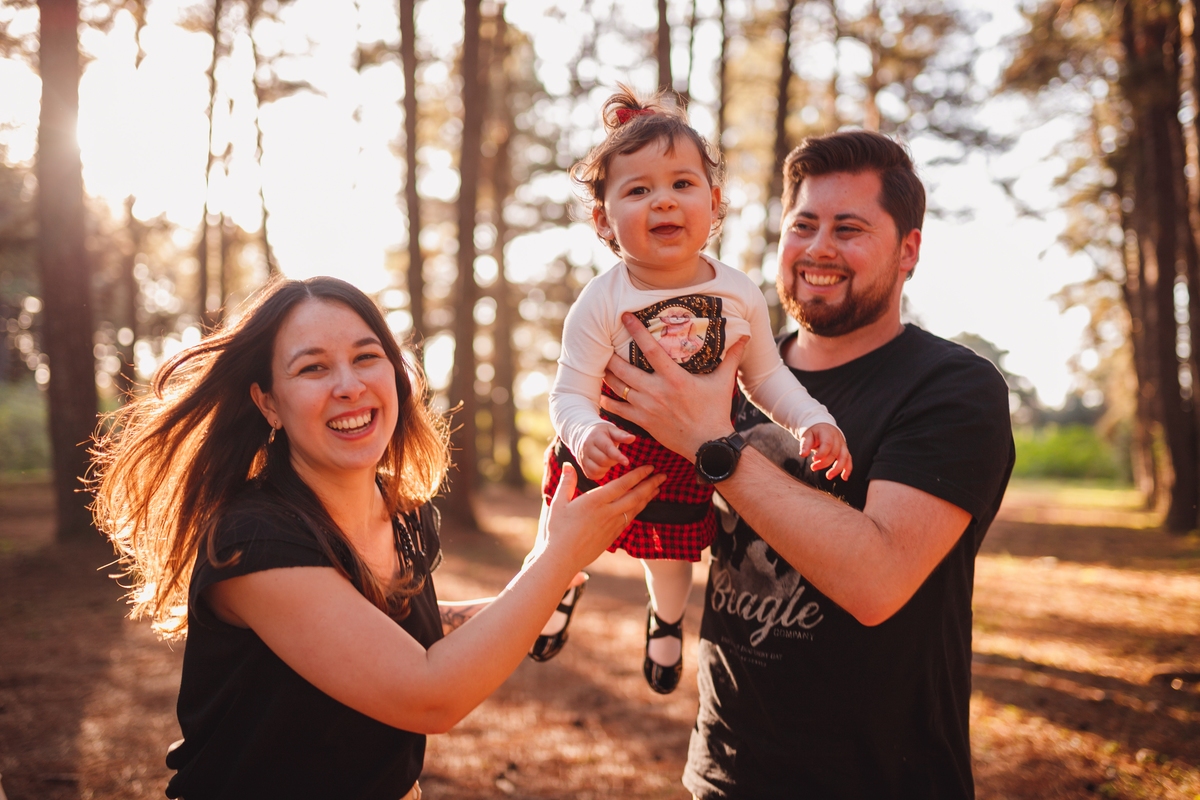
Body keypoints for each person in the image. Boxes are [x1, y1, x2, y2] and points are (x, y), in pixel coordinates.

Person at [90, 276, 665, 800]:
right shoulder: (252, 541)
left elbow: (379, 626)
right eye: (312, 368)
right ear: (268, 402)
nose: (349, 386)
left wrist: (520, 601)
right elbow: (428, 694)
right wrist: (555, 557)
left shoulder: (403, 513)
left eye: (367, 358)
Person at [601, 130, 1014, 797]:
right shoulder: (723, 368)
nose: (819, 249)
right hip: (722, 773)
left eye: (849, 229)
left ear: (908, 250)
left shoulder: (950, 387)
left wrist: (713, 445)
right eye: (803, 225)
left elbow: (877, 581)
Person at [531, 85, 851, 696]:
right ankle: (557, 587)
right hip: (611, 440)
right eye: (638, 190)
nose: (663, 202)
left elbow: (766, 377)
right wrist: (584, 430)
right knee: (564, 527)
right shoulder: (603, 298)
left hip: (685, 452)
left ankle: (667, 619)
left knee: (671, 551)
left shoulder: (738, 292)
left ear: (715, 201)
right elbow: (567, 392)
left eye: (682, 184)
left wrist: (812, 419)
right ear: (603, 219)